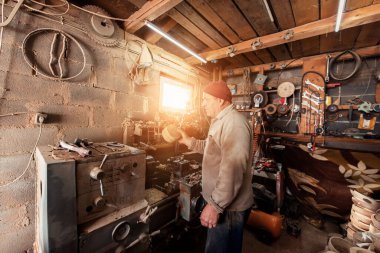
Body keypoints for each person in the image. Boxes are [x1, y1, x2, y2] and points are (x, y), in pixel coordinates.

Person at [178, 80, 254, 253]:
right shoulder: (220, 120)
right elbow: (211, 147)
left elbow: (233, 168)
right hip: (221, 202)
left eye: (206, 99)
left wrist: (215, 205)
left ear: (220, 100)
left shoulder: (234, 123)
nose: (203, 104)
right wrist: (190, 142)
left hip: (229, 208)